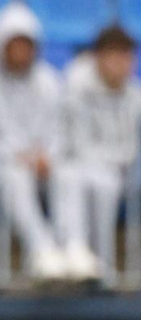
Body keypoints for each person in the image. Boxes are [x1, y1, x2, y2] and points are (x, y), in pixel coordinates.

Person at [0, 3, 63, 280]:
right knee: (16, 177)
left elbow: (57, 131)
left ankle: (72, 250)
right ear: (1, 45)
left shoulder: (49, 82)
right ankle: (42, 250)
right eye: (14, 45)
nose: (21, 53)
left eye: (27, 45)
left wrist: (47, 155)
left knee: (71, 174)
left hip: (42, 162)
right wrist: (17, 156)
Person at [53, 25, 141, 281]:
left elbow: (132, 151)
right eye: (112, 56)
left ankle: (101, 264)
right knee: (81, 178)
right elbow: (78, 144)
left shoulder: (136, 97)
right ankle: (82, 255)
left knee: (105, 182)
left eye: (125, 57)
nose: (119, 64)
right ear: (97, 58)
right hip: (88, 166)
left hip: (128, 171)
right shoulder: (78, 89)